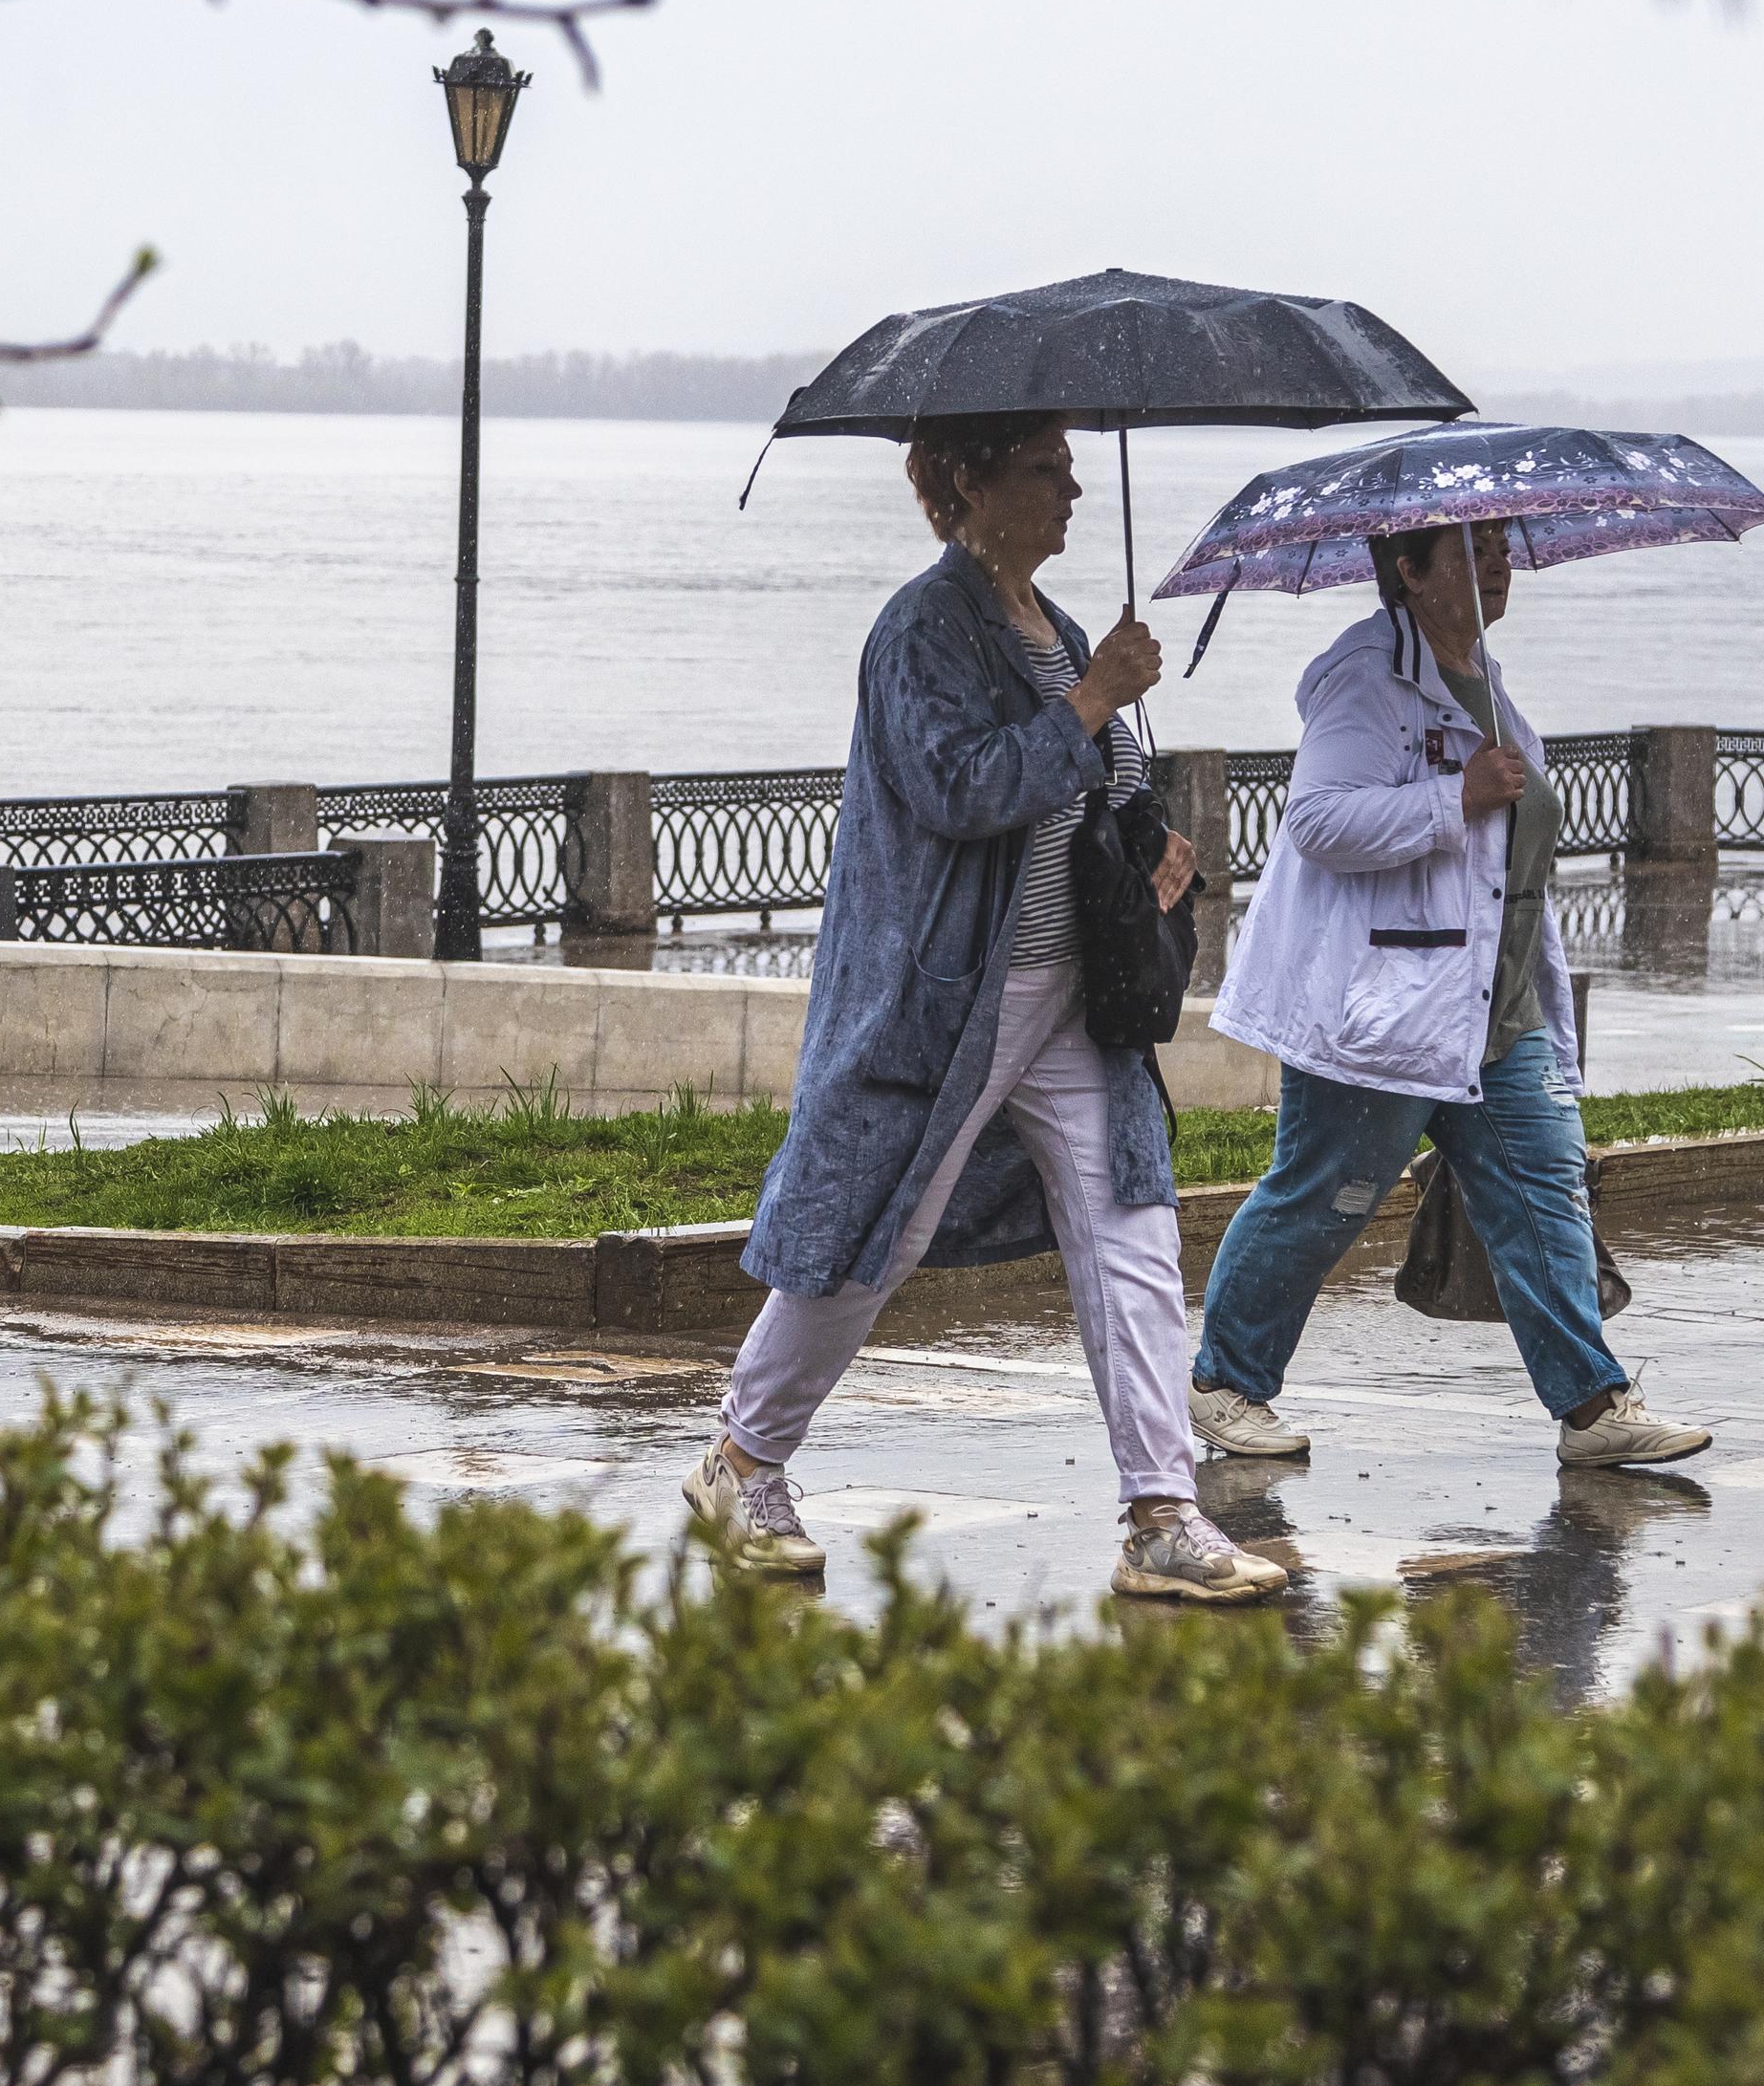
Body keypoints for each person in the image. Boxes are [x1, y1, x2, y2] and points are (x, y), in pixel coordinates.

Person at [683, 410, 1295, 1603]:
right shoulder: (923, 629)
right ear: (967, 484)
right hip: (946, 999)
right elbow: (958, 788)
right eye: (1042, 471)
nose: (1069, 493)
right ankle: (739, 1461)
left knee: (1133, 1236)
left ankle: (1161, 1515)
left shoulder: (1056, 627)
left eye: (1071, 473)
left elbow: (1087, 793)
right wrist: (1089, 703)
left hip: (1072, 999)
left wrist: (1150, 837)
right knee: (876, 1231)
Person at [1186, 515, 1710, 1469]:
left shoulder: (1489, 688)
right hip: (1384, 1006)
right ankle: (1225, 1384)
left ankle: (1593, 1408)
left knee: (1543, 1192)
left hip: (1494, 1010)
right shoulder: (1364, 679)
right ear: (1409, 572)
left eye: (1502, 548)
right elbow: (1318, 820)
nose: (1498, 564)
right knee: (1324, 1198)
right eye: (1471, 553)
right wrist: (1453, 800)